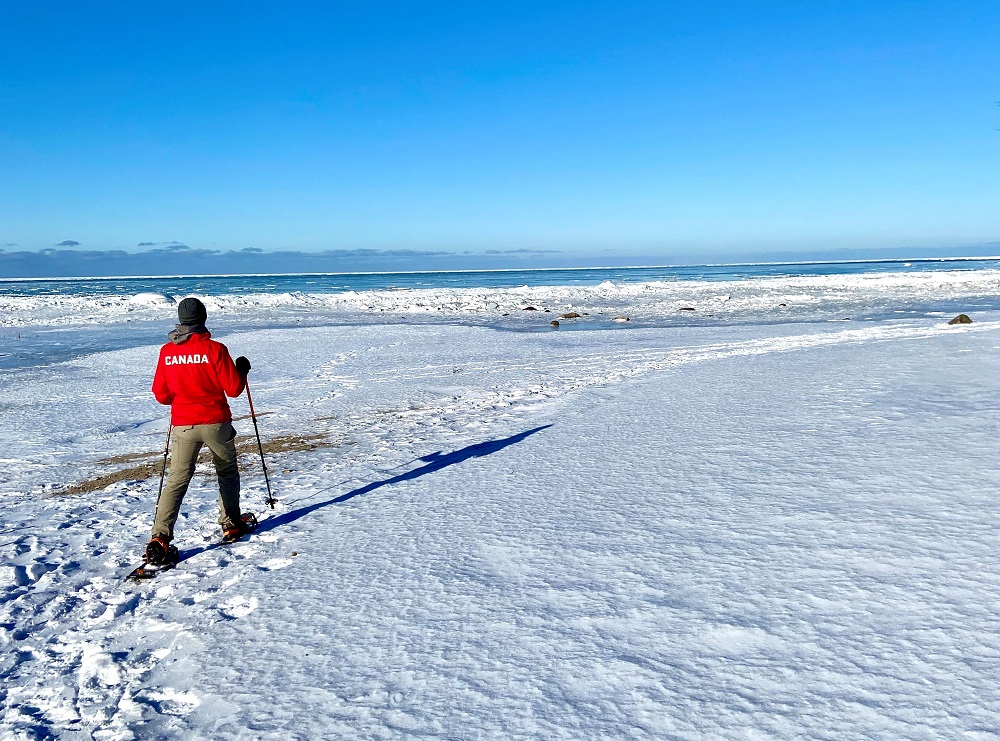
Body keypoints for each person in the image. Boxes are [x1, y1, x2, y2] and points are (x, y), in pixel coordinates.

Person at [145, 297, 255, 566]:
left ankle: (159, 538)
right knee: (226, 471)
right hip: (216, 422)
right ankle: (230, 523)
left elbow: (161, 395)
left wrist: (184, 396)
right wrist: (241, 370)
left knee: (177, 481)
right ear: (203, 318)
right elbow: (233, 389)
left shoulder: (167, 352)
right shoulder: (215, 349)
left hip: (184, 424)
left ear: (181, 320)